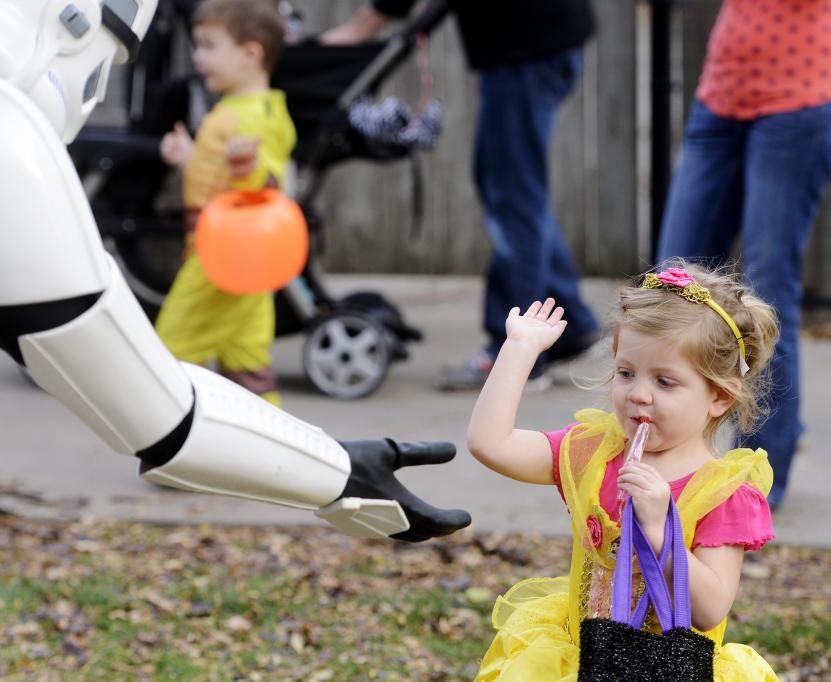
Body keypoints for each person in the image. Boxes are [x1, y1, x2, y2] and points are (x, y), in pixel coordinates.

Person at [0, 0, 472, 544]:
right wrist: (342, 474)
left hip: (226, 252)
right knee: (196, 351)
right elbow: (167, 416)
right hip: (219, 257)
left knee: (229, 347)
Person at [466, 261, 778, 680]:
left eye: (665, 382)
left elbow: (709, 609)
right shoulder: (593, 452)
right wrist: (519, 351)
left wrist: (659, 531)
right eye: (626, 373)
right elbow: (491, 443)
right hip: (577, 663)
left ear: (719, 397)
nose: (639, 395)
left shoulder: (723, 493)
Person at [321, 1, 602, 392]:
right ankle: (572, 325)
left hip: (525, 43)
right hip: (532, 41)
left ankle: (518, 352)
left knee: (512, 199)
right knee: (510, 190)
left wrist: (365, 26)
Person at [657, 1, 831, 511]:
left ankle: (757, 478)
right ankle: (663, 458)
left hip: (799, 96)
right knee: (670, 282)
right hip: (722, 91)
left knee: (768, 289)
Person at [153, 0, 294, 406]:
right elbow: (222, 179)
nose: (197, 57)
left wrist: (246, 165)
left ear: (251, 54)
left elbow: (265, 182)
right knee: (246, 362)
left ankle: (175, 445)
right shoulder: (243, 108)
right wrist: (190, 157)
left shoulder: (252, 116)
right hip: (246, 260)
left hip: (221, 260)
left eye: (209, 45)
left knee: (170, 351)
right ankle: (270, 452)